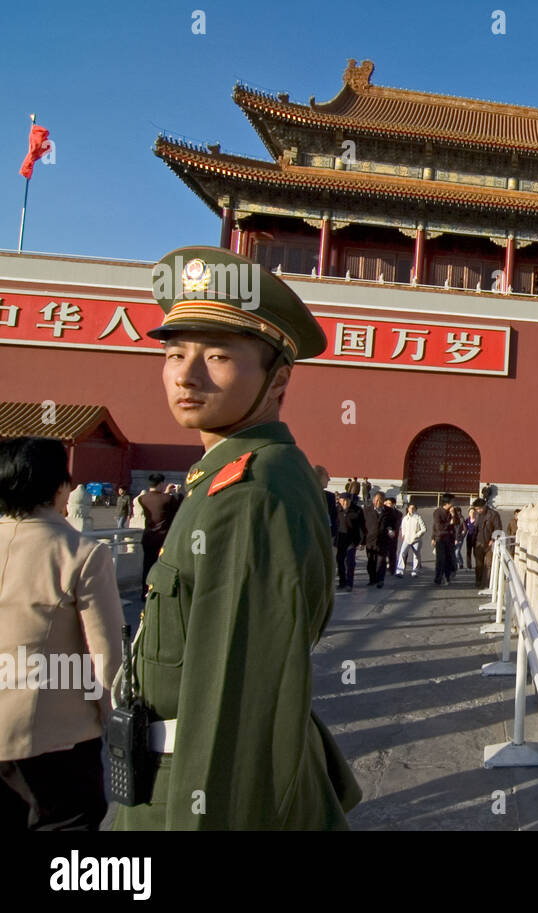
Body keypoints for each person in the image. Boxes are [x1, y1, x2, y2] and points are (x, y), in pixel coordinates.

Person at [114, 244, 359, 830]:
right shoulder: (226, 476)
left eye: (219, 356)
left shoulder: (248, 494)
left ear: (278, 378)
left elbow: (234, 707)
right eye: (175, 354)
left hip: (193, 791)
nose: (186, 375)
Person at [0, 437, 124, 831]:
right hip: (55, 735)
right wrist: (109, 715)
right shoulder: (81, 553)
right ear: (60, 488)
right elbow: (105, 654)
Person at [137, 472, 180, 601]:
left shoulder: (142, 499)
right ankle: (159, 592)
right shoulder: (168, 499)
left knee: (147, 566)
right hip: (163, 539)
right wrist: (175, 493)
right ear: (161, 484)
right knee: (162, 566)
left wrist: (165, 493)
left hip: (148, 538)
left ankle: (145, 592)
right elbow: (176, 510)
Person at [363, 493, 396, 588]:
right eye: (376, 500)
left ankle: (380, 579)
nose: (378, 502)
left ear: (384, 501)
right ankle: (372, 579)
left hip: (383, 540)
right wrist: (362, 541)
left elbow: (393, 523)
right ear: (373, 500)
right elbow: (362, 525)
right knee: (371, 561)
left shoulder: (389, 511)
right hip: (370, 540)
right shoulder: (367, 511)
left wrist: (391, 530)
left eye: (380, 500)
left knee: (381, 561)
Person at [335, 492, 365, 591]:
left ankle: (349, 583)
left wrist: (362, 541)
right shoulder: (336, 510)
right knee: (340, 561)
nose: (345, 502)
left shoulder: (357, 511)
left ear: (350, 501)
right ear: (339, 501)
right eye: (343, 500)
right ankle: (342, 582)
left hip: (352, 541)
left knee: (350, 562)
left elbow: (362, 527)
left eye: (347, 500)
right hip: (340, 540)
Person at [472, 499, 502, 589]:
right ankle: (478, 581)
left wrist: (493, 539)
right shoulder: (477, 515)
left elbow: (498, 528)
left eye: (480, 509)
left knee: (489, 564)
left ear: (484, 506)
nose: (478, 511)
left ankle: (488, 583)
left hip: (489, 543)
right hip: (478, 542)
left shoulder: (493, 514)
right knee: (479, 564)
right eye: (476, 509)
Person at [395, 503, 426, 577]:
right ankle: (400, 570)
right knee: (402, 553)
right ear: (408, 509)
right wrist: (404, 535)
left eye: (413, 508)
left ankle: (415, 571)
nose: (411, 510)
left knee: (416, 555)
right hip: (407, 539)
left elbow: (424, 529)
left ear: (415, 509)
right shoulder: (405, 518)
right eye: (410, 508)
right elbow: (403, 527)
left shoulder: (418, 518)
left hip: (416, 540)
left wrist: (417, 535)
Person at [431, 495, 457, 585]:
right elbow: (437, 527)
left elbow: (457, 523)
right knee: (441, 560)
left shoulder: (453, 511)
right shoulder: (437, 512)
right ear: (447, 503)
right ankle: (438, 579)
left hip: (450, 539)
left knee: (450, 559)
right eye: (452, 501)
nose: (454, 503)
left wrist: (453, 515)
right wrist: (433, 537)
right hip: (440, 538)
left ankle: (448, 577)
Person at [315, 465, 338, 544]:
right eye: (326, 475)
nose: (329, 479)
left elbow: (334, 519)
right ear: (318, 477)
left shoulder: (330, 497)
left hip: (327, 540)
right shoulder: (305, 496)